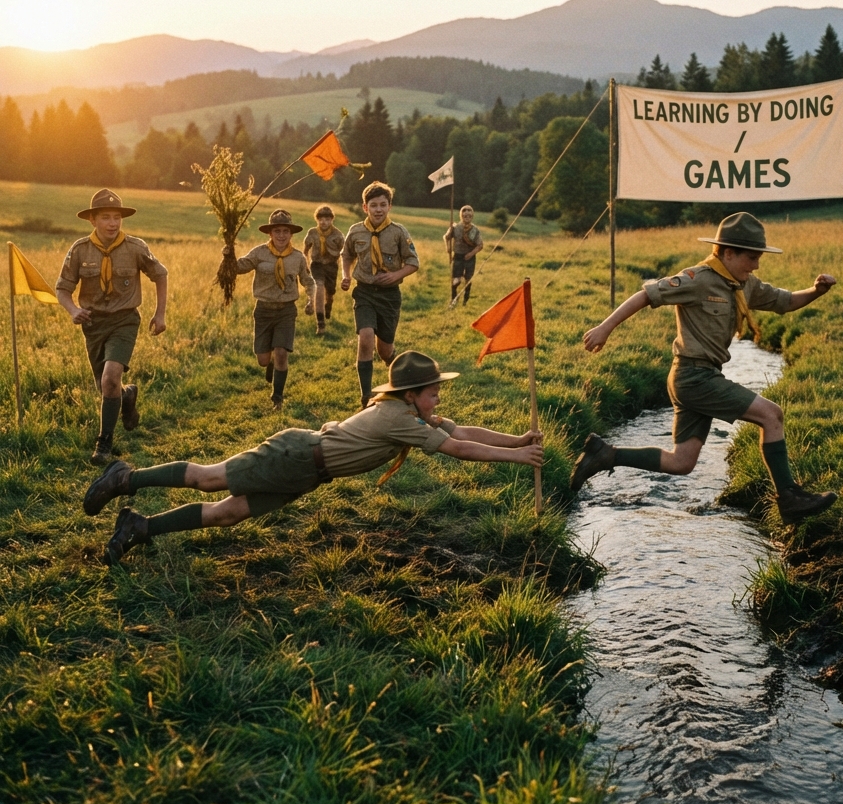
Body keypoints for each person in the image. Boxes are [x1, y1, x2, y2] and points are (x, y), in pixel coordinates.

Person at [84, 350, 545, 567]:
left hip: (307, 472)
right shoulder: (398, 418)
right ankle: (126, 477)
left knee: (229, 514)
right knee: (210, 479)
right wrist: (522, 459)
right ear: (411, 394)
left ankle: (140, 527)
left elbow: (462, 431)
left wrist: (517, 439)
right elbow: (461, 449)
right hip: (298, 454)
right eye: (433, 390)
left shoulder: (411, 414)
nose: (438, 396)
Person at [574, 211, 838, 526]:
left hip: (703, 376)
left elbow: (786, 302)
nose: (756, 264)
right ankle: (790, 497)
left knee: (681, 462)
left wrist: (816, 291)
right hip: (692, 376)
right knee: (772, 414)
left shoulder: (744, 284)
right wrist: (605, 327)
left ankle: (605, 454)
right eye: (751, 258)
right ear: (728, 252)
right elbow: (647, 295)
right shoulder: (698, 279)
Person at [55, 189, 168, 465]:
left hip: (124, 320)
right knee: (106, 386)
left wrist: (160, 313)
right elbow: (62, 288)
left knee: (109, 378)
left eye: (117, 217)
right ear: (93, 220)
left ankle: (104, 443)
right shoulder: (79, 250)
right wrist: (73, 311)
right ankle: (127, 395)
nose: (112, 223)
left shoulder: (135, 248)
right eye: (105, 217)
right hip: (93, 324)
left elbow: (161, 274)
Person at [341, 181, 419, 407]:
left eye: (383, 205)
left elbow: (413, 262)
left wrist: (395, 276)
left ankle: (399, 374)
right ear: (365, 207)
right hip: (364, 292)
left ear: (389, 206)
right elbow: (346, 255)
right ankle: (366, 396)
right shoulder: (356, 231)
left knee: (384, 349)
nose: (378, 209)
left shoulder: (398, 232)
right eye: (373, 205)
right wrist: (345, 275)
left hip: (389, 295)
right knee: (365, 337)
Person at [231, 208, 316, 410]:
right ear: (270, 233)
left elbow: (308, 280)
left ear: (291, 234)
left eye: (285, 231)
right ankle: (268, 364)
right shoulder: (259, 253)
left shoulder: (297, 258)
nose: (281, 235)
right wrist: (228, 255)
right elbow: (239, 267)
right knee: (263, 359)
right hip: (263, 310)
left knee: (281, 353)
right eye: (277, 231)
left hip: (286, 310)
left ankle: (277, 398)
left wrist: (311, 299)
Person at [302, 203, 344, 335]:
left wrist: (344, 272)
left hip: (331, 265)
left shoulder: (337, 235)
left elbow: (344, 253)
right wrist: (306, 265)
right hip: (317, 264)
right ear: (317, 220)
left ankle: (328, 304)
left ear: (332, 220)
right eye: (320, 219)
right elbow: (305, 250)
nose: (323, 222)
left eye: (326, 219)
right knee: (318, 286)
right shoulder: (312, 233)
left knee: (330, 292)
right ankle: (320, 324)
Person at [444, 204, 484, 306]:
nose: (467, 213)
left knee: (468, 279)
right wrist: (448, 247)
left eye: (469, 212)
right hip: (458, 256)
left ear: (472, 216)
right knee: (455, 280)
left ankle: (465, 300)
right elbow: (446, 237)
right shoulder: (455, 227)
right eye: (464, 212)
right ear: (461, 215)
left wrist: (471, 254)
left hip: (470, 258)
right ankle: (454, 299)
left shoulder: (475, 230)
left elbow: (480, 245)